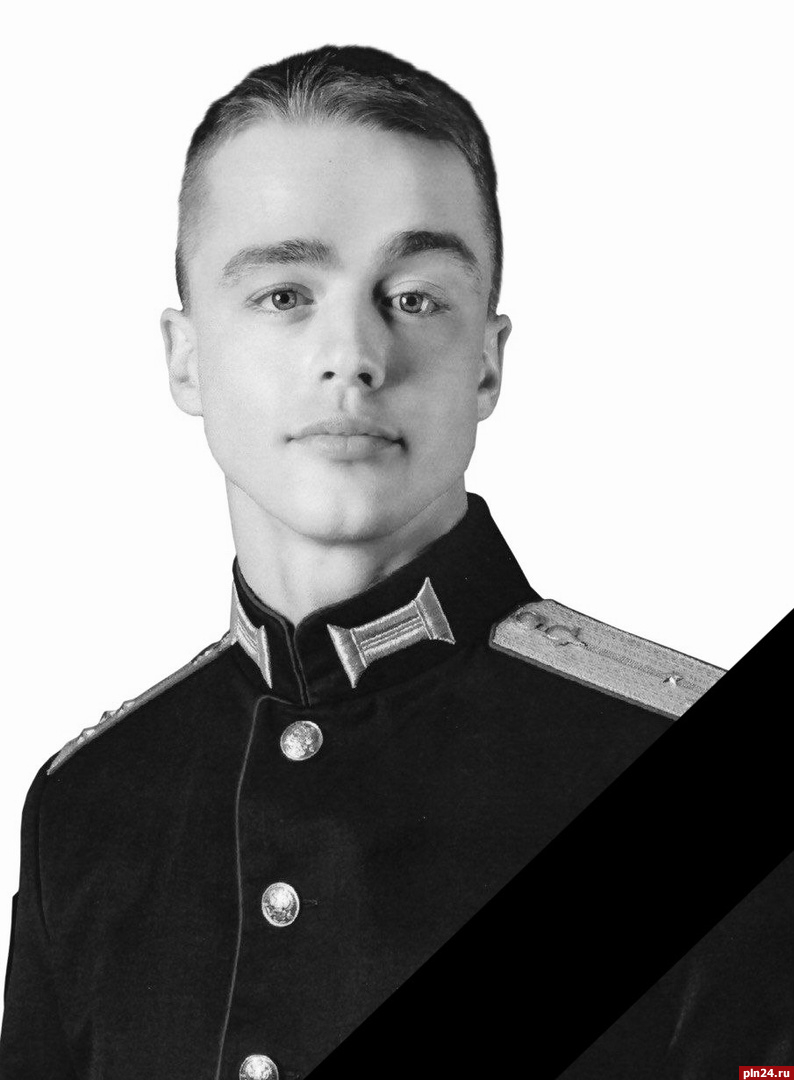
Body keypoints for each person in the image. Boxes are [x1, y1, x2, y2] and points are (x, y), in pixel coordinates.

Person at [0, 44, 783, 1080]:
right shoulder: (88, 807)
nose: (355, 357)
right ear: (185, 358)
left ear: (487, 363)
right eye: (285, 294)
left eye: (413, 297)